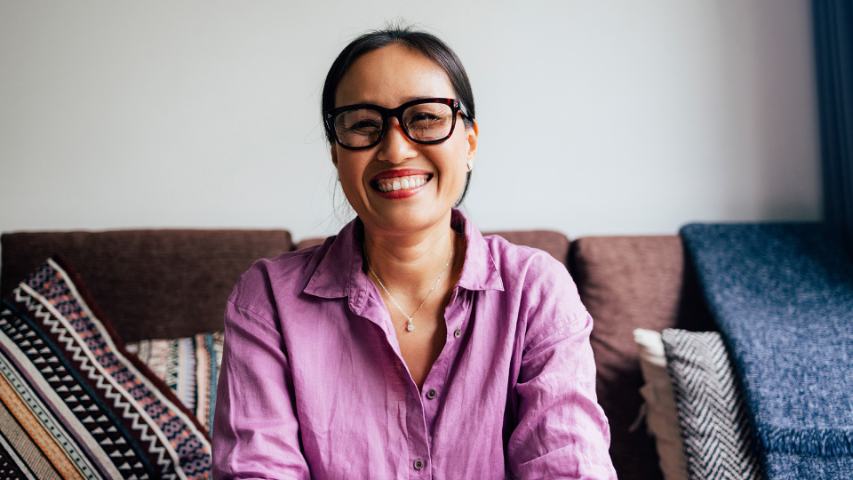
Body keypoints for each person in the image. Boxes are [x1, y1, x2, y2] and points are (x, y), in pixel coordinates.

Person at [212, 26, 616, 479]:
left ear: (469, 142)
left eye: (424, 117)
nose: (396, 148)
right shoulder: (267, 299)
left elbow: (568, 466)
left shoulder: (536, 290)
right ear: (335, 154)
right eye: (364, 123)